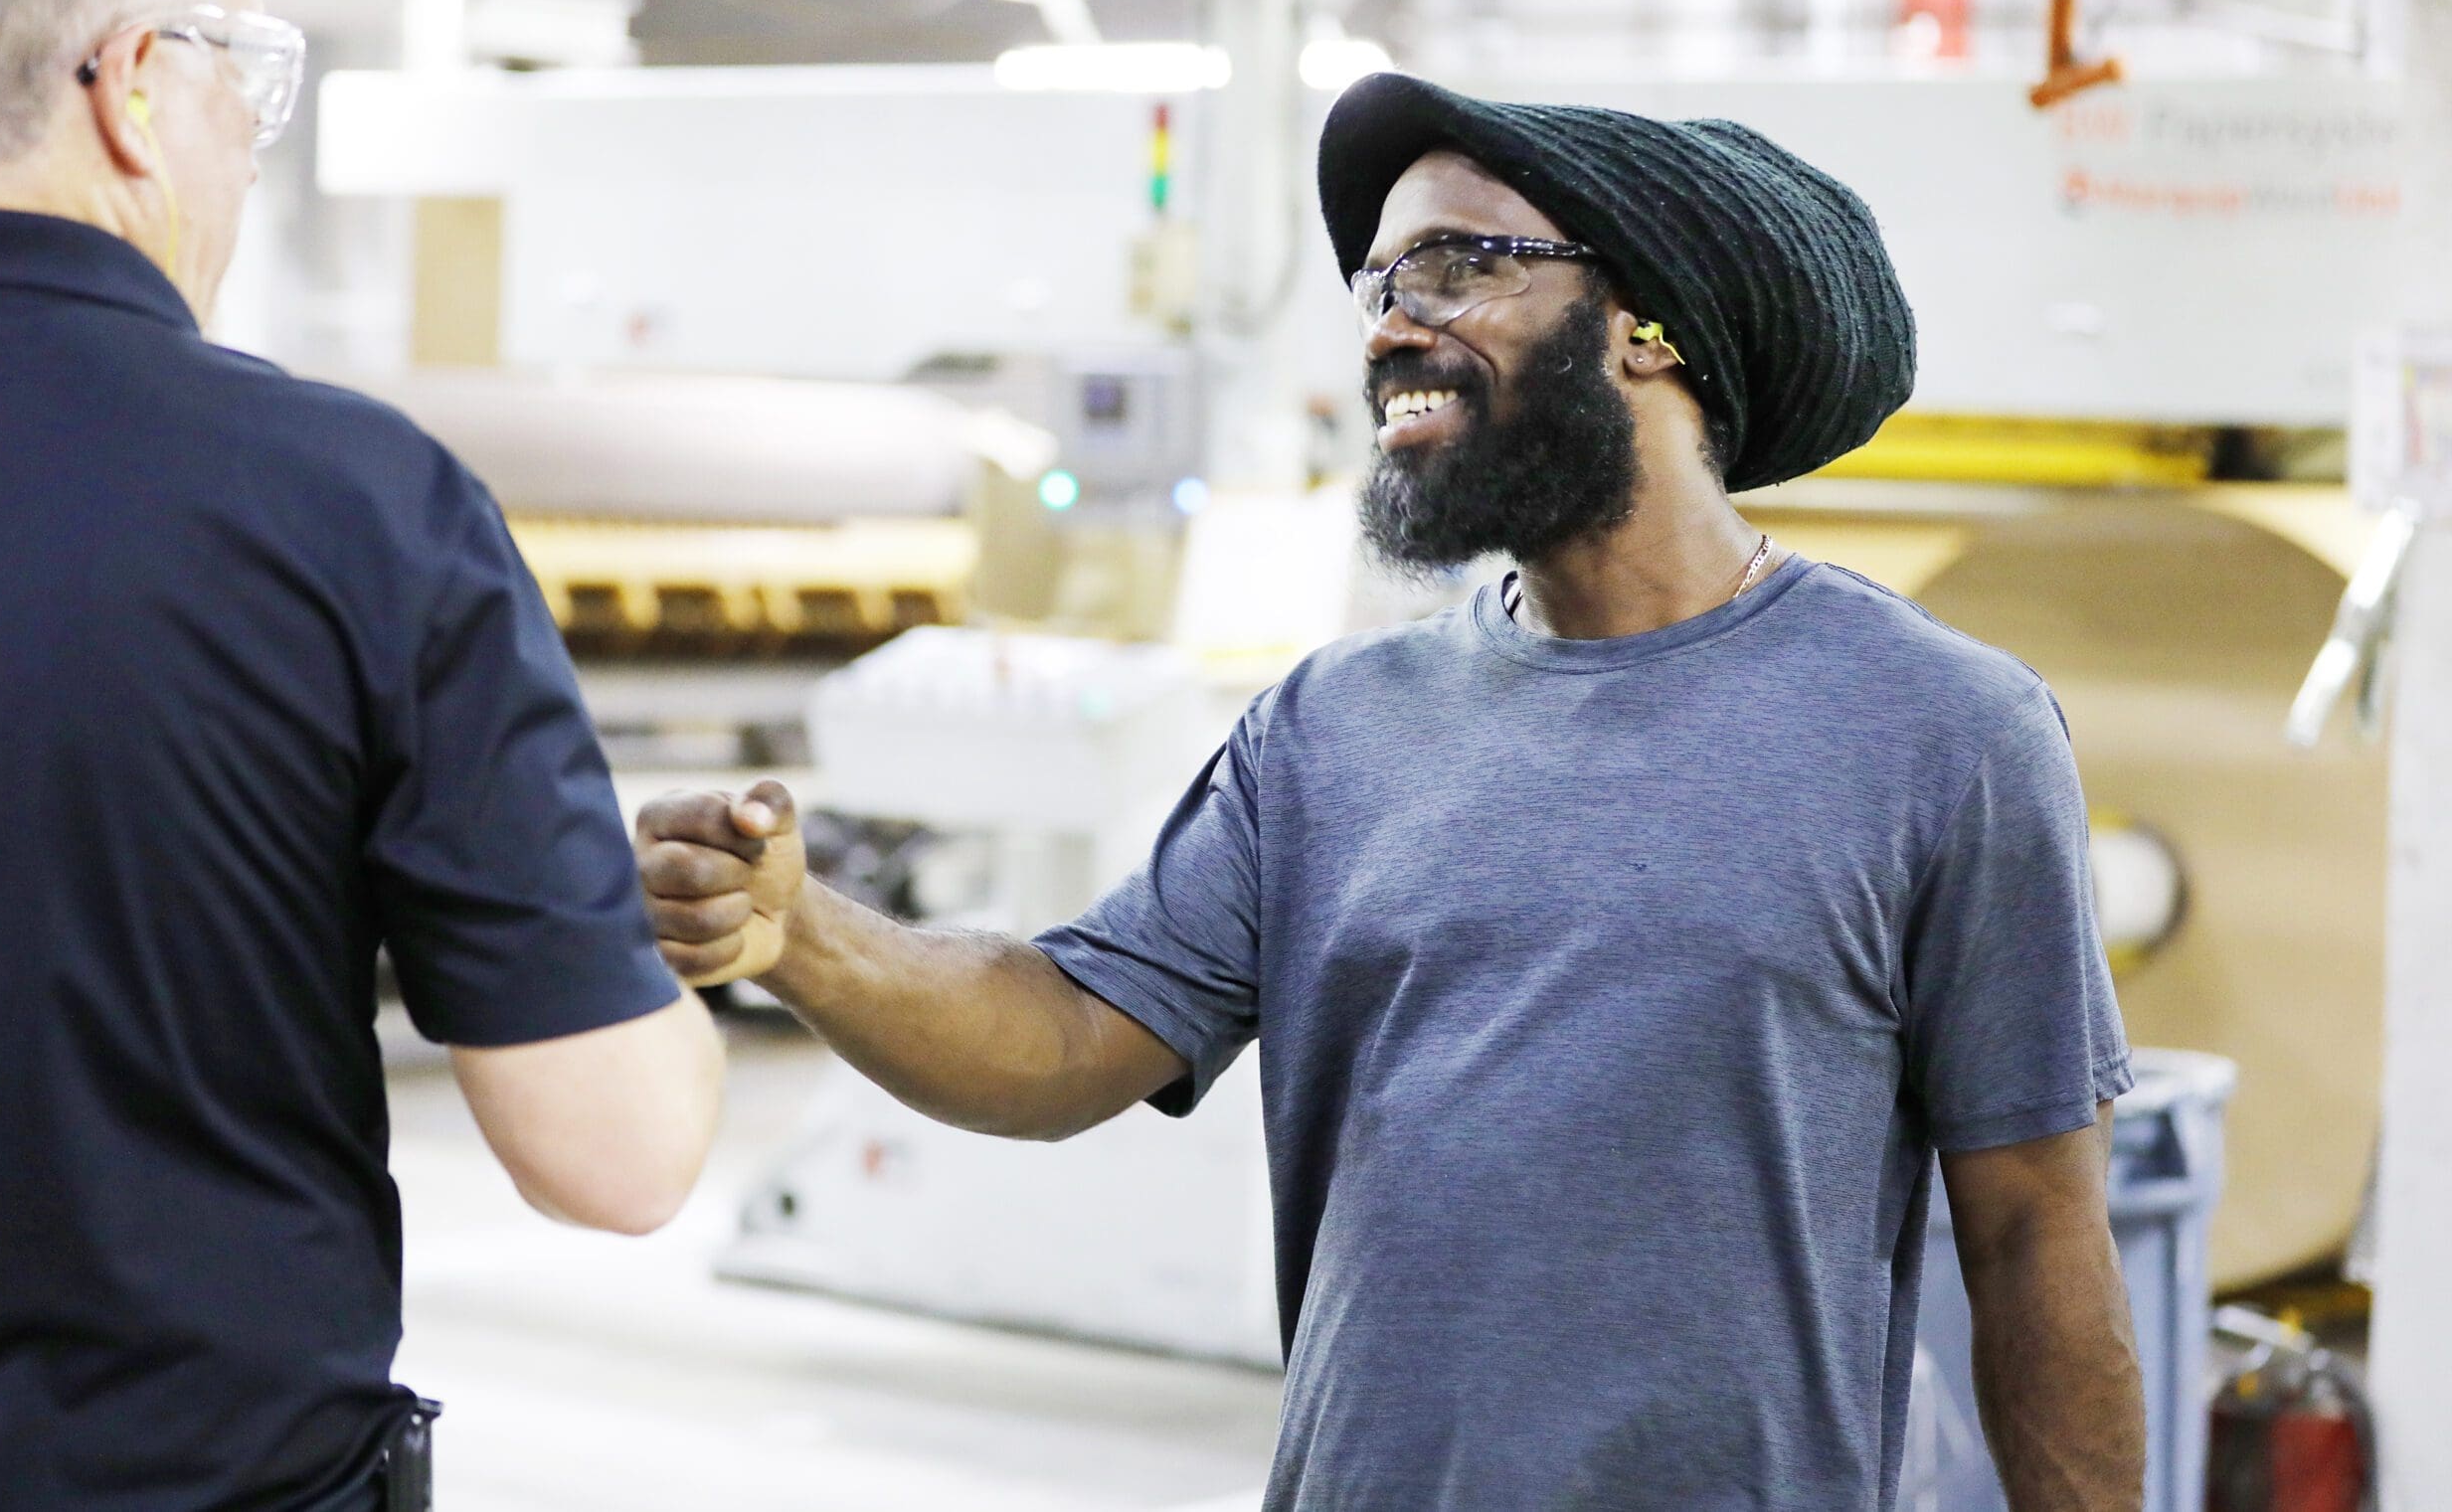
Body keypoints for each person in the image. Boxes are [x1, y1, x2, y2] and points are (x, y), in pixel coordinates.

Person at [637, 73, 2146, 1509]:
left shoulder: (1940, 733)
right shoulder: (1330, 730)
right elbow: (1066, 1034)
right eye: (1378, 287)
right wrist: (802, 935)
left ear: (1651, 329)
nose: (1390, 330)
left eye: (1455, 269)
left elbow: (2035, 1234)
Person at [0, 0, 724, 1508]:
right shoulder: (352, 507)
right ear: (133, 84)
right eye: (245, 74)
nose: (248, 146)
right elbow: (617, 1153)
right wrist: (651, 957)